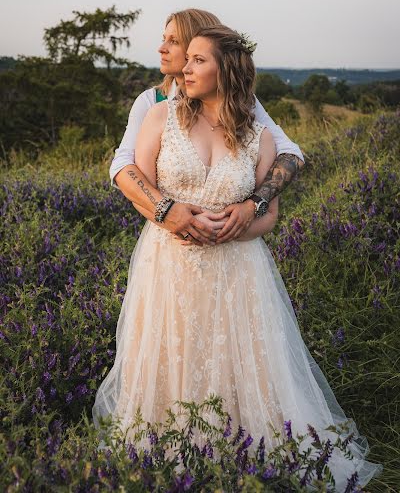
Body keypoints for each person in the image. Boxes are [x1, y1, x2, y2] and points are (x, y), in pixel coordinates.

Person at [93, 25, 382, 490]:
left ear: (225, 69)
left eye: (197, 60)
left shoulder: (257, 134)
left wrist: (239, 223)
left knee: (237, 360)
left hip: (238, 269)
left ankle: (242, 451)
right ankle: (172, 454)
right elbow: (137, 187)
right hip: (170, 263)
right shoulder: (158, 117)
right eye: (185, 60)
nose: (184, 68)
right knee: (175, 354)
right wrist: (173, 216)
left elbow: (271, 215)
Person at [110, 8, 305, 245]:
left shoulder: (246, 106)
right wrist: (167, 212)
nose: (162, 48)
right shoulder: (152, 103)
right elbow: (123, 165)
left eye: (174, 41)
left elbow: (289, 154)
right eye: (164, 39)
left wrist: (252, 206)